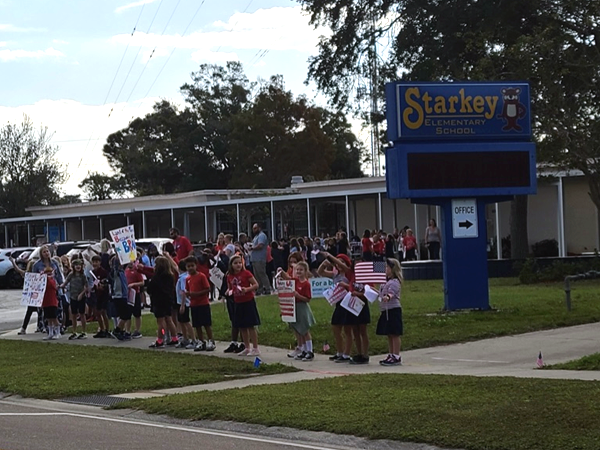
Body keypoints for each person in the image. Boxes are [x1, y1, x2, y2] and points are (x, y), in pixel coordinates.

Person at [318, 252, 354, 363]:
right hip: (338, 303)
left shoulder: (348, 273)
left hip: (348, 302)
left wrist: (330, 256)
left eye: (341, 262)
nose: (338, 264)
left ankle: (347, 354)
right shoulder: (336, 274)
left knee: (348, 329)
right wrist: (325, 263)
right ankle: (339, 352)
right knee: (335, 327)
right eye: (337, 262)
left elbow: (344, 266)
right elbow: (320, 272)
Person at [280, 261, 316, 361]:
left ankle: (310, 350)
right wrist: (281, 272)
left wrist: (298, 295)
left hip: (302, 307)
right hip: (295, 306)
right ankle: (303, 349)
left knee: (305, 330)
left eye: (301, 270)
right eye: (297, 270)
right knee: (299, 330)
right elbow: (287, 279)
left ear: (305, 271)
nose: (299, 272)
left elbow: (308, 299)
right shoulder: (295, 281)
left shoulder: (306, 284)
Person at [226, 254, 260, 356]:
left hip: (248, 301)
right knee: (241, 326)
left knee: (250, 325)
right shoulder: (229, 276)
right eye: (235, 263)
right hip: (237, 302)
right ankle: (246, 347)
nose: (238, 265)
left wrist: (247, 289)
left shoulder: (246, 273)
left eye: (240, 263)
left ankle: (255, 347)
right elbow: (230, 287)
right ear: (231, 265)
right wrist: (228, 292)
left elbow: (256, 284)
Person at [146, 256, 179, 348]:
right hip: (168, 300)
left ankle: (160, 339)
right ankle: (174, 337)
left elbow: (150, 289)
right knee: (169, 319)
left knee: (161, 322)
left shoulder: (156, 278)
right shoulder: (170, 276)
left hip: (158, 301)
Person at [185, 256, 216, 351]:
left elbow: (207, 289)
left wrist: (196, 294)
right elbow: (188, 290)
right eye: (188, 266)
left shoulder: (201, 276)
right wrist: (188, 295)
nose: (190, 268)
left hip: (203, 303)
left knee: (206, 323)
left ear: (196, 265)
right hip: (194, 304)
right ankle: (201, 341)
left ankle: (211, 340)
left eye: (192, 265)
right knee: (197, 325)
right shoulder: (188, 279)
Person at [376, 258, 404, 366]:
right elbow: (381, 293)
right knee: (389, 333)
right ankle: (391, 353)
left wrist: (388, 297)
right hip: (385, 310)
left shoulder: (395, 282)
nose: (385, 269)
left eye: (387, 267)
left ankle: (396, 355)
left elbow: (392, 293)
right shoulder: (385, 282)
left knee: (394, 333)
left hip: (393, 310)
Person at [60, 259, 88, 340]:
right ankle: (74, 331)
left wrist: (81, 294)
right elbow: (65, 282)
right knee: (74, 314)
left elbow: (86, 287)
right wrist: (61, 286)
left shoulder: (83, 276)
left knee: (82, 314)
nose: (78, 267)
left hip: (81, 297)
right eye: (76, 265)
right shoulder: (71, 275)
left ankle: (84, 331)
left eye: (79, 265)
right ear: (73, 267)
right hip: (73, 297)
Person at [175, 260, 194, 349]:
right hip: (180, 302)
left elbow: (184, 291)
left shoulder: (183, 278)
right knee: (181, 321)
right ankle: (185, 338)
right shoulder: (182, 277)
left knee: (186, 321)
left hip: (184, 303)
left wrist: (182, 305)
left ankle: (193, 339)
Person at [90, 255, 111, 338]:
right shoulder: (92, 272)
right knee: (97, 312)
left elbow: (106, 282)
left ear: (100, 262)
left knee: (103, 312)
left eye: (97, 262)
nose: (95, 263)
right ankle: (101, 329)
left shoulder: (103, 272)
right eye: (94, 262)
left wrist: (102, 285)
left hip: (103, 294)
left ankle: (107, 329)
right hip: (96, 294)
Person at [249, 223, 271, 296]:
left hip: (260, 258)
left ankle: (267, 288)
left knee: (261, 274)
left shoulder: (262, 235)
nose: (254, 230)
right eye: (253, 228)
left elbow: (260, 245)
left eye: (255, 228)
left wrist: (252, 248)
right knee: (256, 275)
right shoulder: (256, 236)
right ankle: (259, 289)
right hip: (254, 259)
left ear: (259, 228)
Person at [125, 262, 144, 338]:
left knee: (137, 313)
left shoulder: (137, 271)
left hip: (135, 293)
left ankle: (137, 330)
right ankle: (127, 330)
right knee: (128, 314)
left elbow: (142, 282)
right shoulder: (126, 271)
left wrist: (134, 284)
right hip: (128, 294)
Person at [41, 266, 61, 340]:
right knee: (48, 318)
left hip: (52, 302)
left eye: (49, 273)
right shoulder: (43, 281)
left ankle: (58, 332)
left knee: (54, 318)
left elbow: (53, 286)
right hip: (45, 302)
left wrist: (49, 277)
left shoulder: (52, 281)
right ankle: (50, 333)